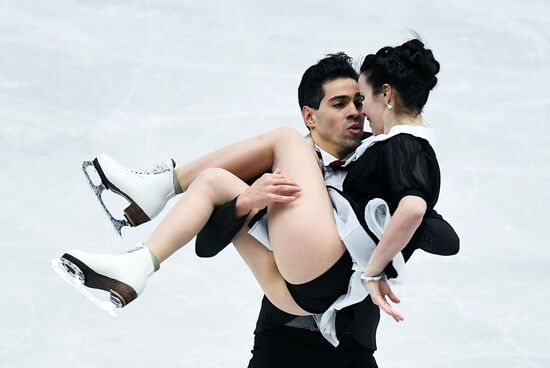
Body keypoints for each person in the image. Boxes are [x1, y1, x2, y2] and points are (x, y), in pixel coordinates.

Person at [53, 42, 458, 367]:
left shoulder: (380, 163)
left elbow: (443, 236)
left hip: (347, 349)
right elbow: (207, 243)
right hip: (280, 331)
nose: (356, 112)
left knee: (278, 140)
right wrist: (245, 202)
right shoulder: (275, 170)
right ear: (310, 116)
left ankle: (157, 188)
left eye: (358, 101)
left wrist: (386, 236)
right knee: (216, 181)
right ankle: (136, 266)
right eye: (340, 104)